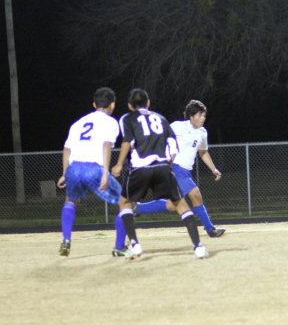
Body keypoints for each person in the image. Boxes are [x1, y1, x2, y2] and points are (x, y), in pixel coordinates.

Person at [110, 88, 208, 259]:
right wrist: (168, 163)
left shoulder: (127, 118)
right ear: (148, 103)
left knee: (124, 202)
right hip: (162, 167)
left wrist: (118, 164)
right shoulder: (161, 118)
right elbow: (173, 145)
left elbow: (127, 141)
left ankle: (135, 244)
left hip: (140, 168)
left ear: (129, 105)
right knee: (180, 204)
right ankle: (198, 246)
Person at [133, 100, 226, 237]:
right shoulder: (178, 126)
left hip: (186, 171)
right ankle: (210, 229)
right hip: (175, 168)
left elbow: (203, 152)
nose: (203, 118)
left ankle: (137, 207)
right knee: (196, 195)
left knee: (172, 205)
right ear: (191, 116)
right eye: (200, 115)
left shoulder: (202, 133)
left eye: (204, 116)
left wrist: (214, 169)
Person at [56, 87, 126, 257]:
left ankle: (66, 240)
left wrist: (65, 173)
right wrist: (104, 174)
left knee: (70, 200)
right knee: (124, 203)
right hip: (94, 168)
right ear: (112, 105)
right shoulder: (111, 122)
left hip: (74, 168)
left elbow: (66, 149)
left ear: (94, 104)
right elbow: (106, 145)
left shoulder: (78, 123)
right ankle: (119, 247)